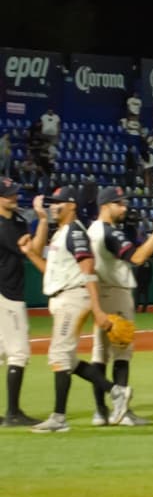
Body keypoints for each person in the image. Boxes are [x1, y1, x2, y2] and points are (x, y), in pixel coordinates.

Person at [30, 186, 129, 433]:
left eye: (58, 203)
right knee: (68, 360)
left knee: (60, 355)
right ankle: (116, 392)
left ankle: (59, 417)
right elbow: (51, 271)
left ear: (72, 205)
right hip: (63, 295)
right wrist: (29, 252)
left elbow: (88, 271)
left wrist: (97, 309)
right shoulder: (60, 233)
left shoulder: (75, 233)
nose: (54, 207)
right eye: (52, 203)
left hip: (75, 296)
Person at [87, 186, 153, 426]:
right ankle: (121, 412)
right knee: (122, 351)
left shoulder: (91, 230)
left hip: (99, 292)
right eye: (118, 203)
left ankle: (100, 412)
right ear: (105, 206)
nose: (124, 207)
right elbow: (138, 257)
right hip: (116, 292)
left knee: (100, 353)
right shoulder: (109, 232)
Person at [0, 178, 45, 426]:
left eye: (15, 193)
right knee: (18, 352)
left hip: (6, 290)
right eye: (8, 195)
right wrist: (42, 221)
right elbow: (31, 251)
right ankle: (13, 413)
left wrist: (41, 221)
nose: (14, 197)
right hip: (7, 292)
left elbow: (33, 249)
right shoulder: (4, 226)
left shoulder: (15, 220)